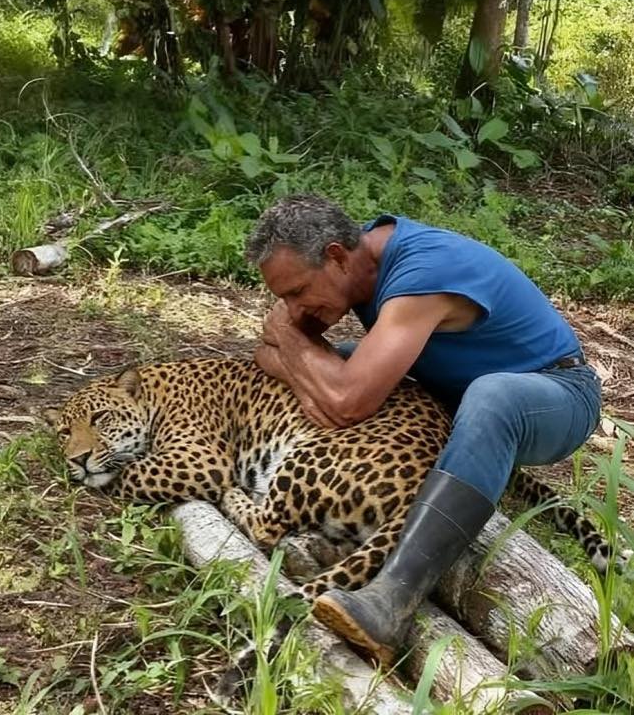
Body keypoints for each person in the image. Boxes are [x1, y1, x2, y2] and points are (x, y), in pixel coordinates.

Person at [245, 193, 602, 665]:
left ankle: (391, 599)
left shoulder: (423, 273)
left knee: (491, 396)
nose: (291, 311)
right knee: (341, 361)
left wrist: (300, 353)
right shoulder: (364, 264)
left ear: (335, 256)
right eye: (283, 300)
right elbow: (263, 352)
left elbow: (344, 398)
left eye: (296, 292)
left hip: (556, 393)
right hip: (456, 394)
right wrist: (312, 371)